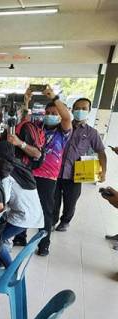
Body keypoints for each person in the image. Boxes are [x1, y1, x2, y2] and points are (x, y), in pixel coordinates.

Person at [53, 97, 107, 233]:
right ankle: (51, 221)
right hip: (55, 172)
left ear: (89, 111)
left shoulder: (91, 133)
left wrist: (103, 171)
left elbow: (101, 152)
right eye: (77, 108)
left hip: (74, 175)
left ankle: (65, 222)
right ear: (72, 110)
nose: (80, 111)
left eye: (84, 109)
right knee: (53, 200)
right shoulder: (62, 126)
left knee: (70, 202)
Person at [30, 87, 73, 255]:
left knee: (46, 211)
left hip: (48, 176)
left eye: (54, 113)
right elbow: (24, 121)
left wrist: (55, 98)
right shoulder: (38, 127)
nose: (50, 115)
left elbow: (67, 117)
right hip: (30, 172)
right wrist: (27, 100)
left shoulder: (63, 132)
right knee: (23, 206)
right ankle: (19, 237)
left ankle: (44, 244)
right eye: (47, 112)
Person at [0, 141, 44, 267]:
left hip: (23, 216)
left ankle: (9, 269)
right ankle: (0, 266)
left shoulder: (6, 173)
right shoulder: (19, 165)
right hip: (34, 213)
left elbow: (3, 202)